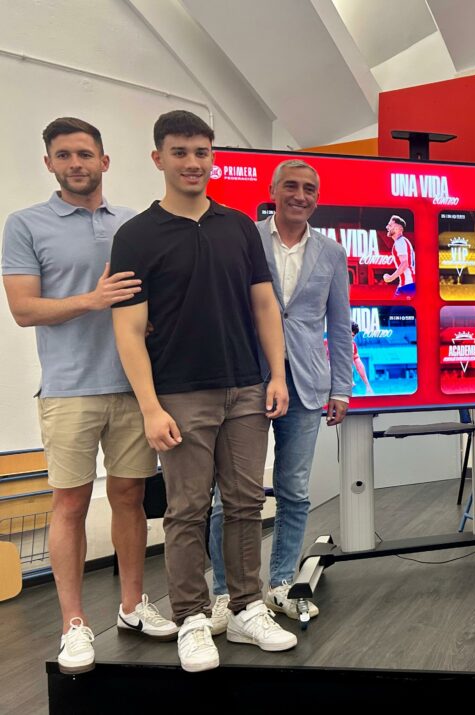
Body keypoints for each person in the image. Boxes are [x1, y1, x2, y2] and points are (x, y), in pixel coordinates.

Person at [110, 110, 295, 673]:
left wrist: (277, 374)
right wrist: (150, 407)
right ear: (158, 158)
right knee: (187, 509)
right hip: (180, 395)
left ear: (212, 157)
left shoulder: (239, 228)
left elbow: (264, 305)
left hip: (246, 388)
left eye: (201, 152)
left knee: (244, 504)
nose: (193, 163)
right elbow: (128, 329)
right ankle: (191, 617)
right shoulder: (136, 236)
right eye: (180, 152)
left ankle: (245, 607)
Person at [2, 117, 176, 675]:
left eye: (84, 154)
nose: (75, 163)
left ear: (104, 161)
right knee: (71, 505)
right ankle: (73, 625)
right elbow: (24, 309)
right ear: (49, 163)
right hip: (69, 391)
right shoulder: (25, 225)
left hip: (134, 388)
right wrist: (92, 300)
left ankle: (132, 606)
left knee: (130, 498)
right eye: (64, 155)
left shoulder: (132, 223)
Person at [208, 159, 353, 631]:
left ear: (317, 198)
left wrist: (342, 388)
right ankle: (225, 592)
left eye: (309, 189)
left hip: (307, 384)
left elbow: (340, 325)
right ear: (272, 190)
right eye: (290, 186)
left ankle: (282, 583)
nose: (300, 195)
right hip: (246, 379)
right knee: (230, 496)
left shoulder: (331, 252)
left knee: (294, 490)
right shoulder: (244, 238)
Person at [383, 215, 415, 296]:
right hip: (407, 285)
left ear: (399, 228)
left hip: (408, 286)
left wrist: (390, 278)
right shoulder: (402, 241)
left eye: (390, 225)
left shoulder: (400, 242)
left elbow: (405, 263)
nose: (387, 227)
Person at [352, 322, 374, 394]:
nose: (350, 338)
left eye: (353, 336)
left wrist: (367, 385)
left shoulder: (352, 345)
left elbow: (359, 365)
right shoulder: (328, 344)